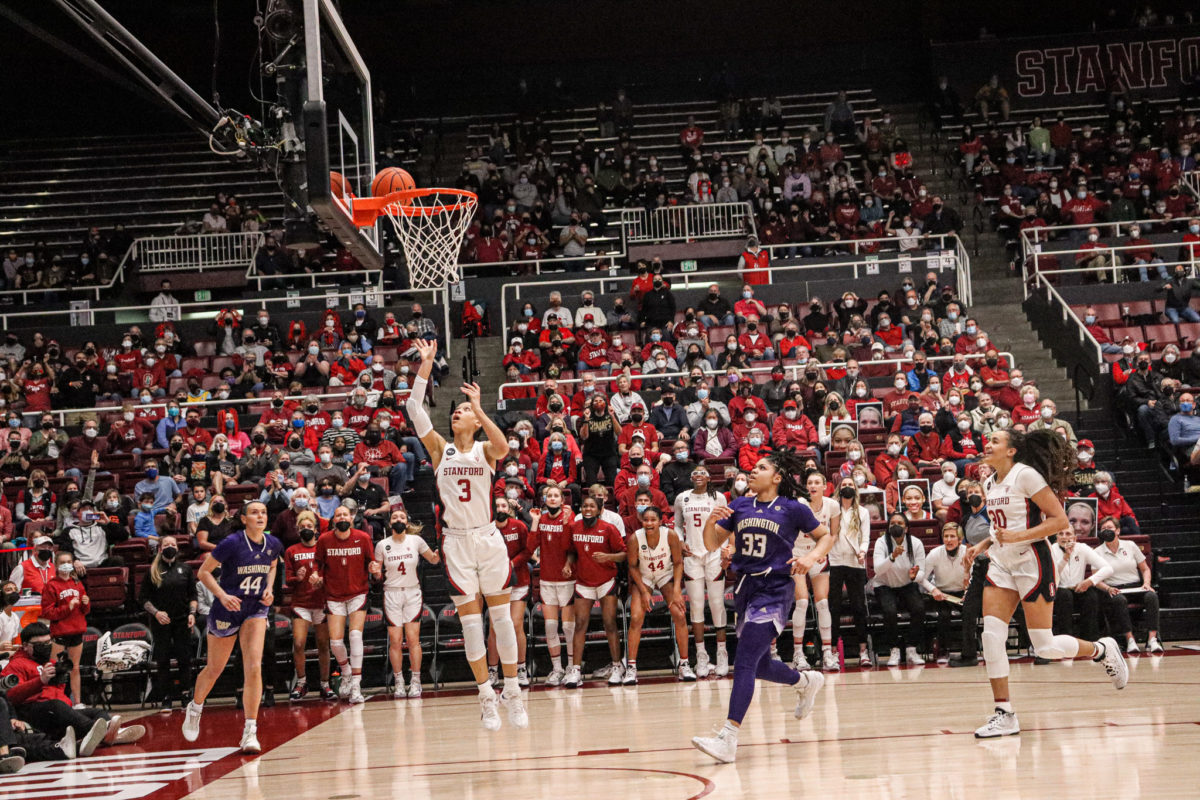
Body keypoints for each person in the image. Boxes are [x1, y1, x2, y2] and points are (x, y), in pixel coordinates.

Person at [968, 430, 1127, 739]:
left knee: (1046, 647)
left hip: (1032, 560)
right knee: (991, 636)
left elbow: (1058, 521)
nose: (988, 444)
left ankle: (1101, 649)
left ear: (1012, 451)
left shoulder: (1025, 476)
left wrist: (1017, 537)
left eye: (995, 441)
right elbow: (1004, 527)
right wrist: (983, 544)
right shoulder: (989, 482)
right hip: (1001, 562)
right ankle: (1004, 713)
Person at [406, 339, 527, 730]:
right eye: (455, 410)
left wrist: (478, 407)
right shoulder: (441, 450)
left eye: (463, 412)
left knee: (503, 620)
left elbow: (504, 445)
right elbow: (413, 409)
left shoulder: (484, 452)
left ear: (475, 421)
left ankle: (513, 692)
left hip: (488, 538)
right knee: (472, 626)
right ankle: (486, 696)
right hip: (456, 541)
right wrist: (425, 367)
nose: (456, 414)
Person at [691, 450, 832, 764]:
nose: (752, 472)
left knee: (743, 662)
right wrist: (709, 524)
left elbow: (826, 536)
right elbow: (712, 545)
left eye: (761, 468)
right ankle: (805, 681)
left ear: (777, 477)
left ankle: (729, 736)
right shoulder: (740, 505)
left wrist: (810, 558)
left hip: (776, 588)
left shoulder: (792, 508)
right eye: (752, 468)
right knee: (760, 664)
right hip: (745, 588)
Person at [181, 501, 282, 754]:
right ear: (244, 518)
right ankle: (195, 707)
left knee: (254, 666)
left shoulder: (273, 544)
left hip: (255, 608)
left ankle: (250, 731)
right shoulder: (232, 543)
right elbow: (203, 573)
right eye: (255, 512)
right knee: (215, 668)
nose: (260, 516)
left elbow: (273, 564)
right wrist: (222, 595)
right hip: (227, 609)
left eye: (264, 512)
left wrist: (269, 587)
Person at [2, 622, 144, 757]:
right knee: (57, 707)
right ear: (25, 646)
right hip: (33, 710)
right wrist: (40, 681)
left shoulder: (49, 662)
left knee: (97, 712)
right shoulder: (15, 665)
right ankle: (108, 733)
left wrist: (59, 680)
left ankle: (101, 735)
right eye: (40, 644)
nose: (45, 647)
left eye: (48, 643)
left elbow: (58, 693)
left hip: (56, 709)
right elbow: (12, 696)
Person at [373, 505, 440, 698]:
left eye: (402, 517)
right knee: (395, 640)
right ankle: (399, 681)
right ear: (390, 522)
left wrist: (437, 554)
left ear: (407, 522)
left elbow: (433, 560)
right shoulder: (382, 545)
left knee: (413, 640)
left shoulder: (416, 540)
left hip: (412, 593)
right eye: (395, 517)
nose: (399, 520)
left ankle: (416, 681)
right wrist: (374, 571)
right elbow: (377, 573)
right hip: (392, 593)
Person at [563, 496, 627, 687]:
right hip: (583, 582)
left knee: (610, 623)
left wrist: (608, 556)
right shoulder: (574, 527)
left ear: (599, 510)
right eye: (584, 506)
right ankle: (575, 671)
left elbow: (624, 555)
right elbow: (572, 550)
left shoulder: (609, 528)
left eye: (592, 506)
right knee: (580, 624)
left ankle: (617, 666)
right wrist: (568, 564)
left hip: (606, 581)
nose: (588, 509)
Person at [673, 466, 729, 678]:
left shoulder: (718, 498)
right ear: (691, 477)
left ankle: (722, 652)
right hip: (692, 555)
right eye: (694, 473)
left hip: (713, 554)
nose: (698, 475)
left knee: (716, 604)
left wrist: (724, 549)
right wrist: (679, 542)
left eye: (702, 473)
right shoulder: (682, 498)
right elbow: (677, 525)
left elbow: (726, 525)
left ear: (708, 477)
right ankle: (702, 655)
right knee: (695, 606)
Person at [313, 505, 373, 704]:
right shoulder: (324, 540)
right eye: (338, 515)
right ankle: (346, 671)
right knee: (336, 642)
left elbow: (372, 563)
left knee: (355, 635)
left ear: (352, 517)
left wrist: (376, 570)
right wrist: (316, 576)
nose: (342, 517)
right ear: (334, 519)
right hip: (334, 595)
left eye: (345, 514)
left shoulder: (363, 538)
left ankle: (356, 685)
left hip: (357, 593)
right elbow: (317, 565)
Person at [626, 506, 690, 683]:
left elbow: (678, 563)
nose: (649, 523)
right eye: (646, 520)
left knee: (679, 614)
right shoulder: (634, 539)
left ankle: (684, 664)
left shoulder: (670, 535)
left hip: (665, 575)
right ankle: (631, 667)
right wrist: (644, 591)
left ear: (660, 521)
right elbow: (632, 566)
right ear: (642, 522)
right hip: (644, 576)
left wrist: (677, 590)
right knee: (636, 618)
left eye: (653, 520)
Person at [138, 535, 197, 709]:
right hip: (161, 622)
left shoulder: (185, 569)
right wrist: (156, 613)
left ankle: (186, 694)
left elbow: (193, 596)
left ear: (177, 548)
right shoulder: (152, 571)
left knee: (184, 658)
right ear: (160, 548)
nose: (170, 546)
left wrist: (192, 613)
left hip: (182, 620)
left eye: (173, 544)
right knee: (163, 659)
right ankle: (166, 695)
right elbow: (143, 599)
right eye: (166, 544)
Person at [527, 485, 575, 686]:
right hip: (547, 579)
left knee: (568, 627)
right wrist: (536, 522)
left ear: (562, 500)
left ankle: (572, 667)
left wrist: (565, 523)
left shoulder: (569, 519)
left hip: (567, 580)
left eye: (556, 495)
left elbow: (569, 547)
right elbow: (530, 548)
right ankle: (557, 669)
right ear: (545, 500)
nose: (553, 498)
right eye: (549, 496)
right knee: (550, 626)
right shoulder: (542, 519)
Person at [792, 471, 839, 671]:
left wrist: (823, 551)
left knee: (823, 603)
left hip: (819, 555)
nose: (812, 485)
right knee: (802, 601)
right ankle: (797, 654)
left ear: (824, 486)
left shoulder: (832, 505)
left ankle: (828, 653)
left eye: (816, 482)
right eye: (809, 482)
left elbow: (833, 535)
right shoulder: (799, 504)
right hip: (799, 554)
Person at [284, 511, 333, 701]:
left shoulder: (323, 547)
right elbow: (288, 580)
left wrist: (322, 580)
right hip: (301, 603)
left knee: (323, 644)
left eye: (309, 527)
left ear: (315, 529)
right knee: (298, 643)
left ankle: (325, 684)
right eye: (303, 527)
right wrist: (299, 577)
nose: (306, 530)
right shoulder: (291, 551)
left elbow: (332, 573)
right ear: (298, 530)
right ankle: (302, 682)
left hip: (320, 602)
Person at [1094, 520, 1161, 654]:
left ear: (1118, 530)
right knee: (1119, 600)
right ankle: (1130, 640)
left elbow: (1145, 569)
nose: (1107, 530)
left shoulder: (1130, 545)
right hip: (1114, 588)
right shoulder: (1097, 552)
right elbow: (1096, 579)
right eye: (1104, 528)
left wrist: (1146, 584)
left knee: (1151, 596)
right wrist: (1108, 589)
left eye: (1110, 527)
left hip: (1135, 586)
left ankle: (1152, 640)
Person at [826, 477, 872, 669]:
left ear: (855, 489)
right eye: (844, 485)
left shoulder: (862, 512)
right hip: (835, 562)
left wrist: (862, 551)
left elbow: (866, 537)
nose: (847, 488)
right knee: (833, 608)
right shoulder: (832, 511)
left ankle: (863, 650)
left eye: (850, 485)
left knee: (859, 607)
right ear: (839, 489)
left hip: (855, 563)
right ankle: (834, 651)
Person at [872, 513, 927, 667]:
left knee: (919, 608)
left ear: (907, 528)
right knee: (889, 611)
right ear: (888, 527)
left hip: (906, 583)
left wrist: (915, 576)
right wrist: (892, 557)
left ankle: (911, 648)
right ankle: (894, 649)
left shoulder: (916, 543)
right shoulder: (881, 542)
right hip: (884, 584)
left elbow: (922, 571)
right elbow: (878, 569)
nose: (896, 525)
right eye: (892, 523)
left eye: (900, 523)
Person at [1049, 526, 1112, 646]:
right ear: (1056, 538)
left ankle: (1089, 641)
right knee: (1065, 595)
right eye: (1060, 533)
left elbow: (1108, 568)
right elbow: (1051, 576)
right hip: (1058, 591)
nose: (1064, 537)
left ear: (1074, 538)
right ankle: (1065, 642)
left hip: (1078, 589)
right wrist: (1065, 558)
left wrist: (1089, 581)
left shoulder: (1082, 548)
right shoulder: (1051, 549)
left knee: (1091, 595)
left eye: (1068, 534)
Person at [41, 552, 89, 704]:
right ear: (56, 565)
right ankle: (56, 700)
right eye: (62, 562)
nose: (66, 564)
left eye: (69, 561)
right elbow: (48, 612)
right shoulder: (51, 586)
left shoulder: (77, 583)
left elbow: (84, 611)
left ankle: (78, 702)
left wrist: (86, 603)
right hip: (60, 632)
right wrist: (67, 607)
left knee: (75, 668)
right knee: (56, 669)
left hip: (77, 630)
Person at [920, 522, 970, 664]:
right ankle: (943, 650)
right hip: (942, 593)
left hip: (963, 593)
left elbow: (974, 577)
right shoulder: (935, 554)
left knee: (970, 613)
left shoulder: (967, 552)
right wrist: (933, 590)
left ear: (960, 540)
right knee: (944, 615)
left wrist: (969, 592)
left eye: (952, 536)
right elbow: (921, 577)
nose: (948, 540)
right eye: (946, 536)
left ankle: (969, 650)